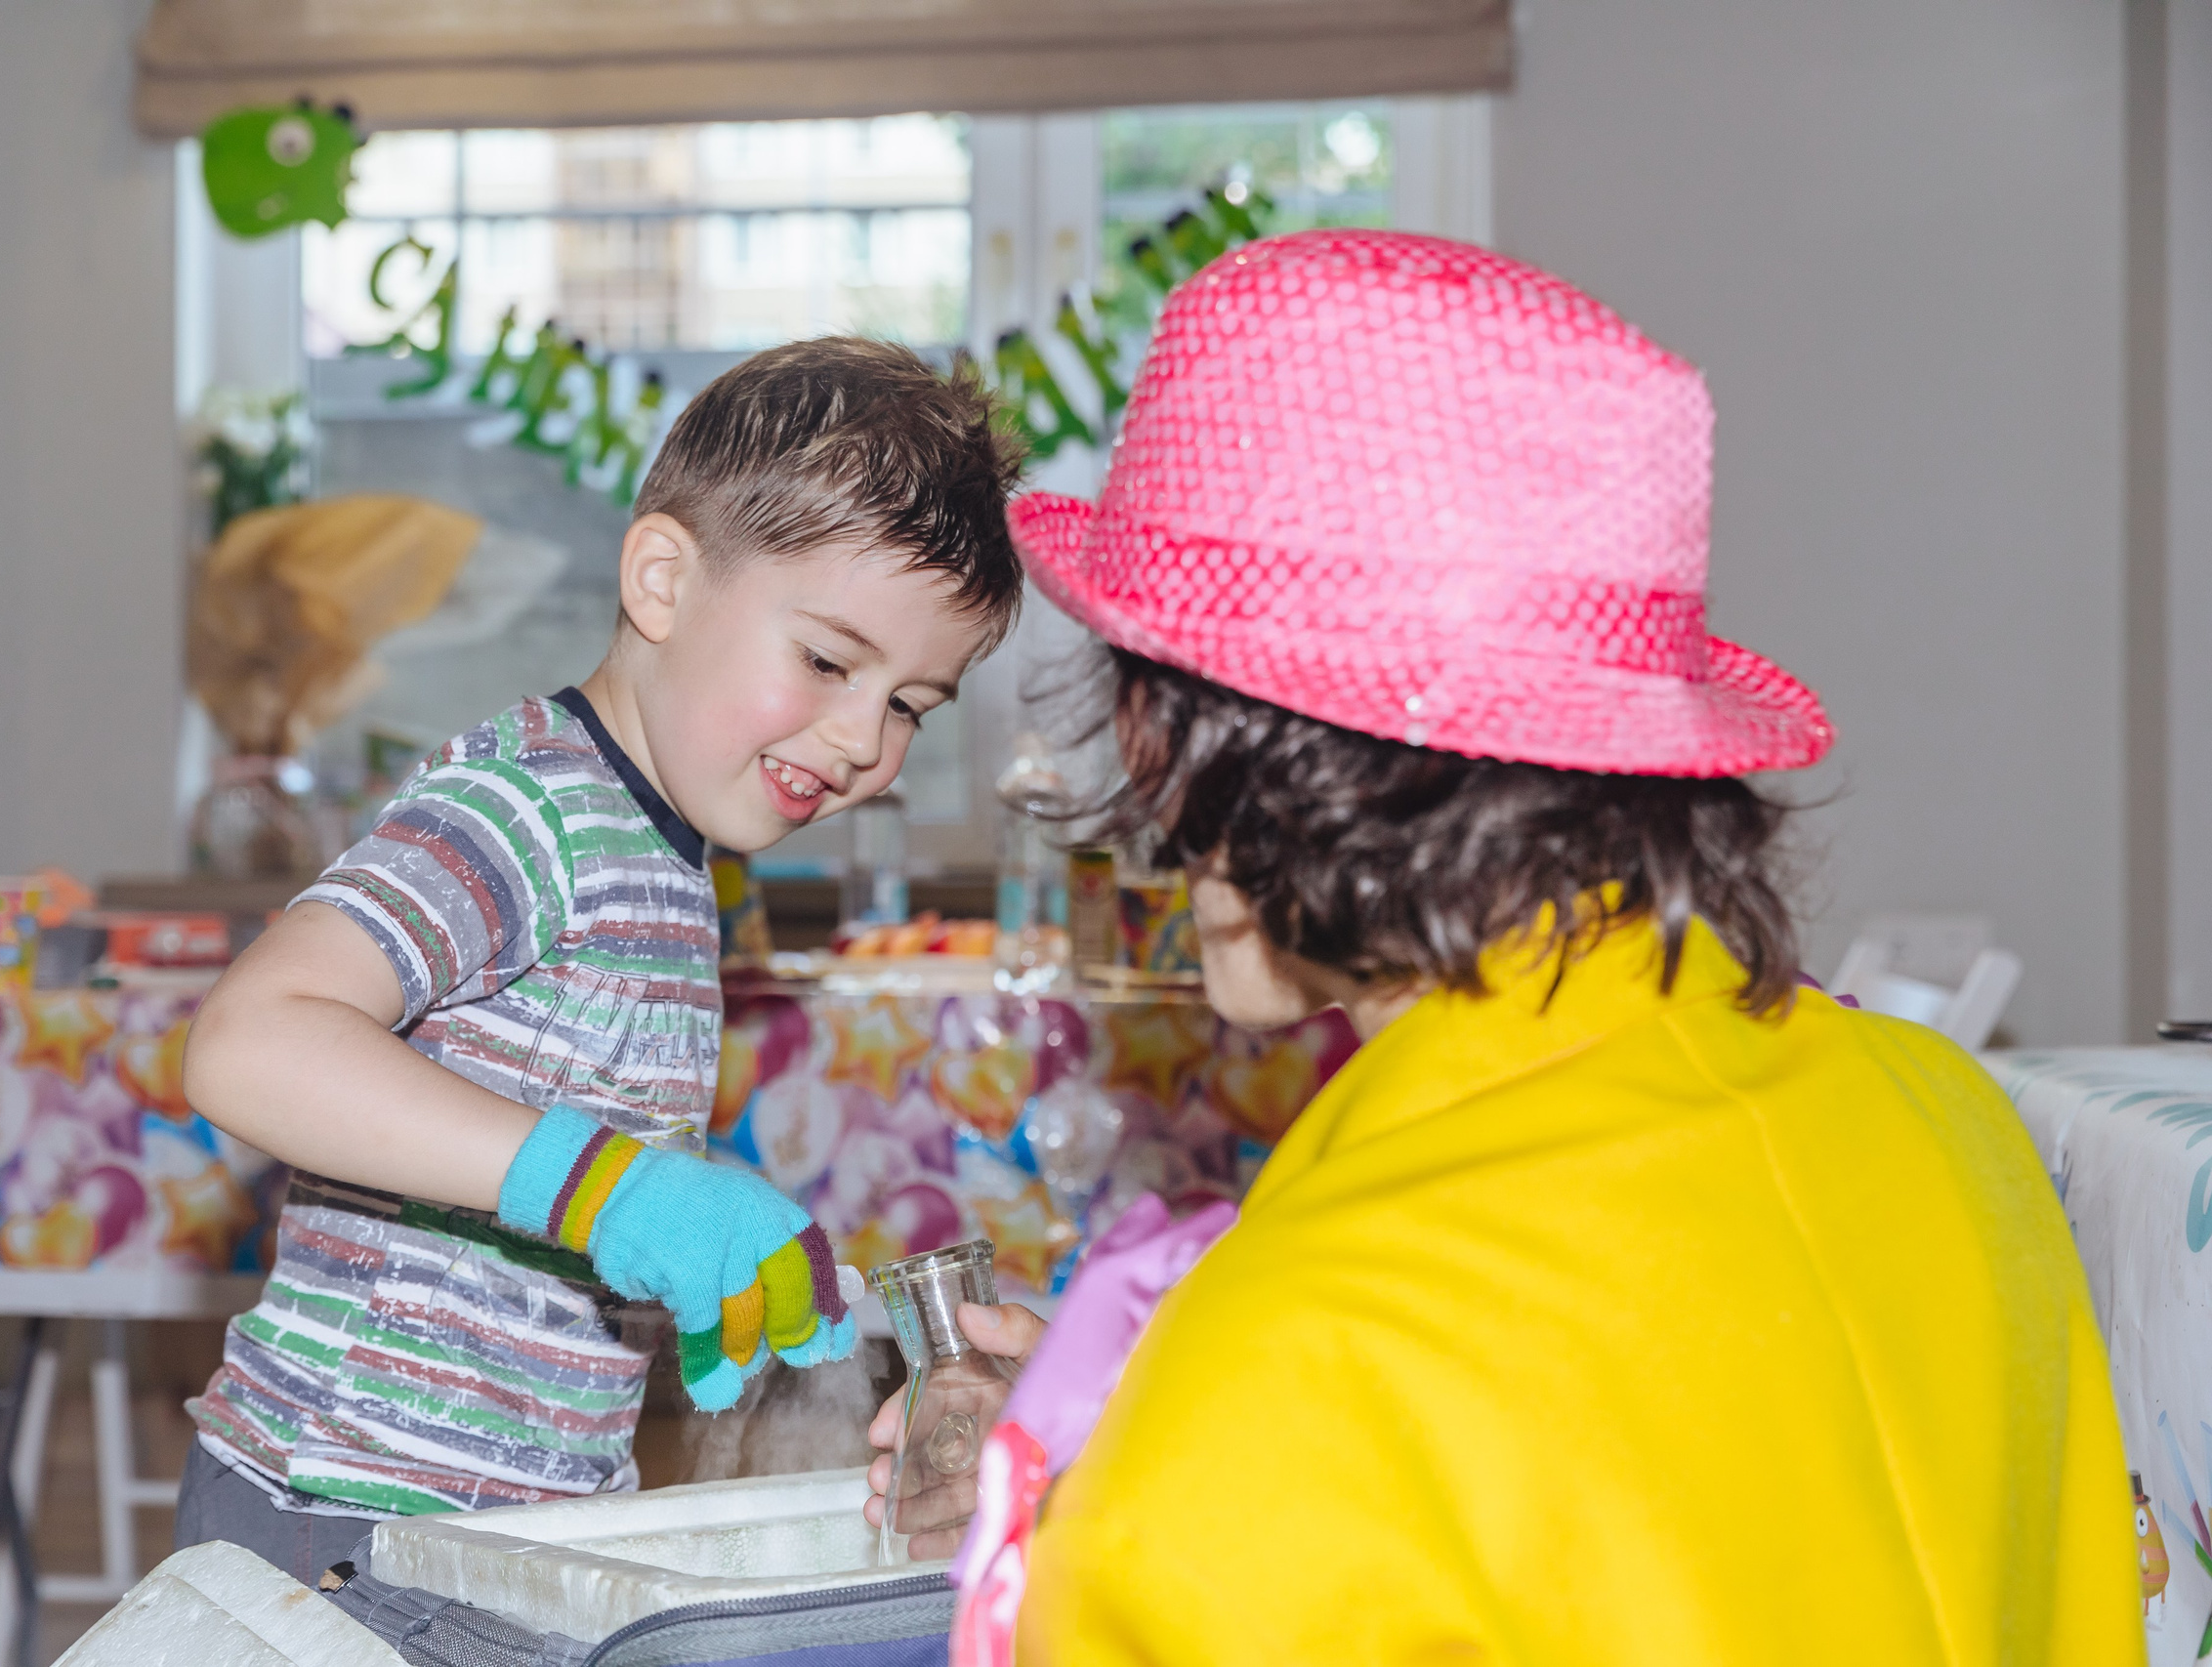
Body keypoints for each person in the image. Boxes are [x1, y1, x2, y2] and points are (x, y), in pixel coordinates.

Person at [867, 230, 2140, 1662]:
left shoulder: (1288, 1385)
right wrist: (1141, 1400)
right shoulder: (1955, 1119)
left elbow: (1338, 1467)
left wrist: (1121, 1471)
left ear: (1214, 735)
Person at [175, 338, 1024, 1579]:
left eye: (909, 705)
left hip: (502, 1516)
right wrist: (614, 1190)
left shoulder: (666, 853)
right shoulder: (527, 807)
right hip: (340, 1512)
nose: (861, 741)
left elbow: (556, 1134)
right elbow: (252, 1043)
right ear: (663, 583)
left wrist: (692, 1225)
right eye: (829, 663)